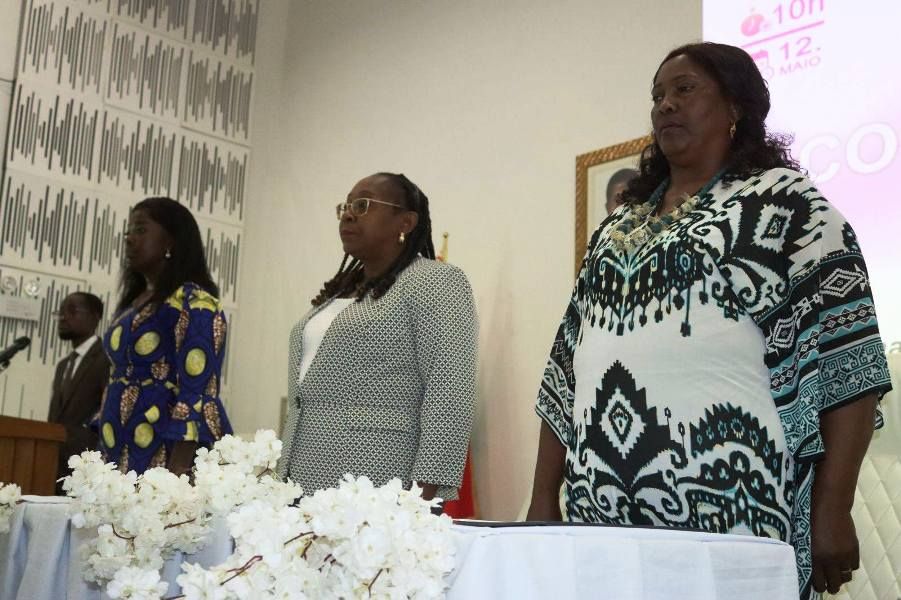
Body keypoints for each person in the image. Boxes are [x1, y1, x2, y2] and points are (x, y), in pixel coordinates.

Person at [526, 42, 891, 600]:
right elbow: (564, 374)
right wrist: (541, 498)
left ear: (735, 106)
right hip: (601, 517)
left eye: (685, 89)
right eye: (657, 95)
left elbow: (850, 364)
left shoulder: (787, 205)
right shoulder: (614, 230)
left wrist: (833, 509)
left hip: (736, 517)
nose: (665, 104)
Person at [278, 172, 478, 504]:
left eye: (363, 205)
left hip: (378, 487)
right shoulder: (341, 291)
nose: (348, 214)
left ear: (406, 222)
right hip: (300, 477)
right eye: (345, 206)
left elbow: (449, 391)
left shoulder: (434, 281)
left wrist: (421, 501)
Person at [97, 197, 233, 475]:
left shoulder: (195, 303)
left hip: (163, 453)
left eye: (140, 229)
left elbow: (198, 393)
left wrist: (176, 475)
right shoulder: (134, 304)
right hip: (117, 444)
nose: (129, 239)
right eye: (128, 231)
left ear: (171, 241)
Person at [48, 292, 110, 492]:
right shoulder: (63, 365)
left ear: (95, 316)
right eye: (61, 312)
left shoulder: (106, 359)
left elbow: (106, 413)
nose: (63, 317)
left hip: (86, 469)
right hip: (52, 462)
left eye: (72, 311)